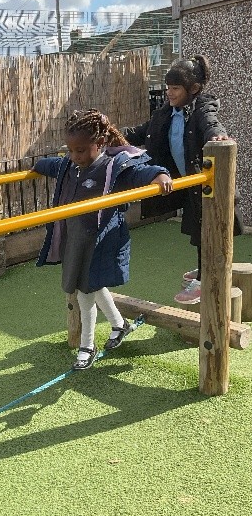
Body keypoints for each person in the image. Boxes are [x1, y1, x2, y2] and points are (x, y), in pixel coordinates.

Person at [34, 109, 173, 370]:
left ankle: (87, 346)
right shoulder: (69, 165)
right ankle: (119, 325)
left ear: (99, 143)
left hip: (99, 240)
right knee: (92, 286)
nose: (75, 157)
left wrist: (160, 175)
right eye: (70, 150)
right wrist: (36, 167)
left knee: (85, 291)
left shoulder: (113, 167)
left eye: (80, 150)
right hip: (76, 240)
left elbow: (140, 172)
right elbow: (51, 165)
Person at [122, 54, 244, 305]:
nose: (169, 92)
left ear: (194, 89)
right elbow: (140, 133)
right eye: (168, 87)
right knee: (200, 231)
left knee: (209, 231)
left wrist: (219, 136)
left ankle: (205, 278)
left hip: (210, 185)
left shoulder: (201, 108)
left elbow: (211, 123)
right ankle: (204, 268)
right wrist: (109, 136)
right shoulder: (166, 114)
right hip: (192, 185)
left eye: (175, 88)